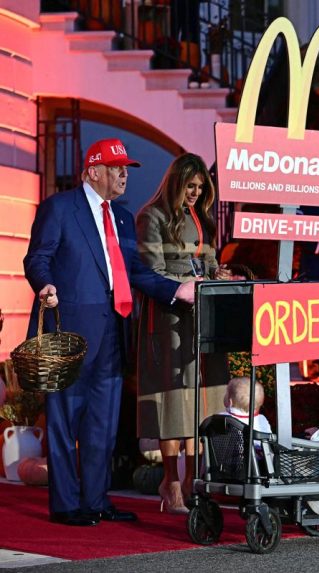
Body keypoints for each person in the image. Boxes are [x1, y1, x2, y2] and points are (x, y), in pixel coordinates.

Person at [24, 138, 196, 526]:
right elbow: (38, 257)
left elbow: (134, 271)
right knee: (65, 419)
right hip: (69, 331)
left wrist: (176, 290)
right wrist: (45, 284)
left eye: (126, 168)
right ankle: (67, 505)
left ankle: (97, 501)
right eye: (116, 167)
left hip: (114, 333)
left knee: (103, 422)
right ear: (93, 171)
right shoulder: (60, 208)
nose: (123, 174)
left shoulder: (120, 217)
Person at [135, 153, 231, 515]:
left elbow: (207, 263)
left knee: (200, 398)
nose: (195, 193)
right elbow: (150, 272)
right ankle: (170, 480)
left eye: (200, 188)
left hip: (200, 317)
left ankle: (194, 478)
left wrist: (216, 275)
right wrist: (186, 286)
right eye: (190, 186)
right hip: (168, 319)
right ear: (176, 182)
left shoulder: (202, 218)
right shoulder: (152, 216)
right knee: (173, 399)